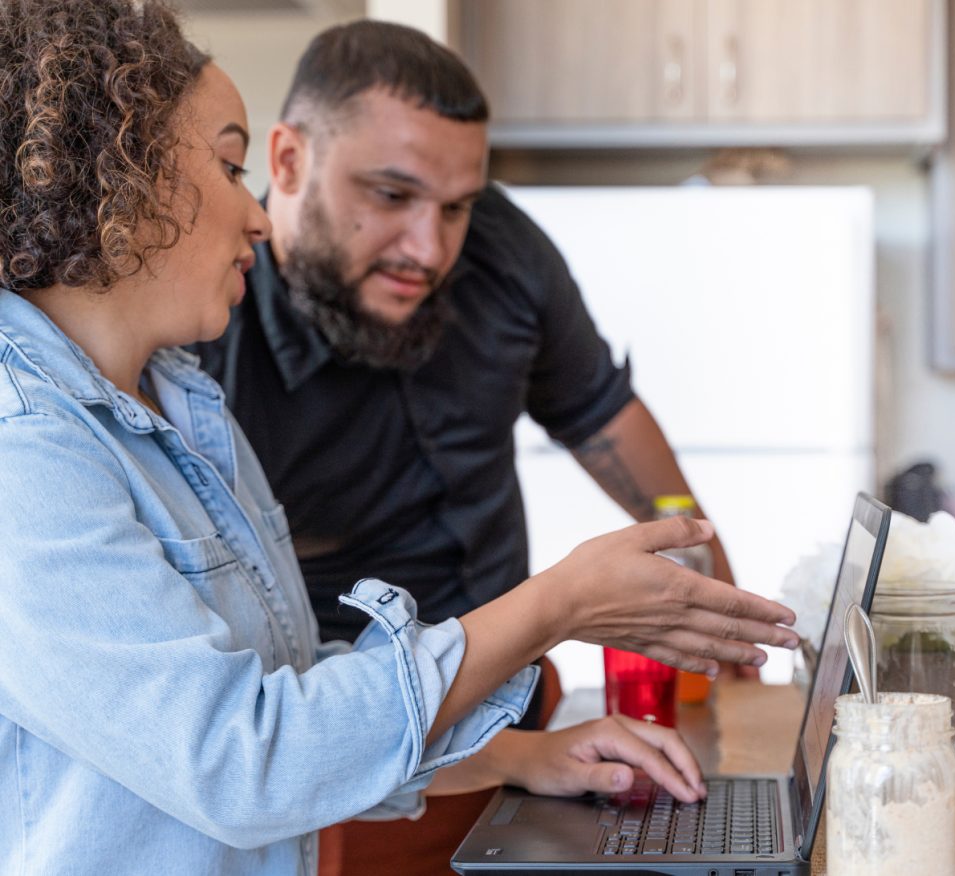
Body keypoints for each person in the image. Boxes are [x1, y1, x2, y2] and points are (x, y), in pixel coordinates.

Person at [0, 2, 800, 875]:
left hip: (418, 729)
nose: (256, 219)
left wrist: (517, 757)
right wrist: (559, 604)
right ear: (122, 180)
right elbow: (254, 757)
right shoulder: (28, 448)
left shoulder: (179, 407)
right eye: (230, 169)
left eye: (455, 207)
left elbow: (290, 691)